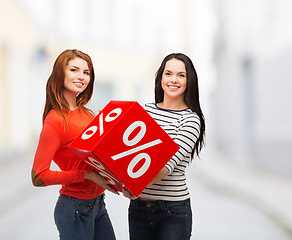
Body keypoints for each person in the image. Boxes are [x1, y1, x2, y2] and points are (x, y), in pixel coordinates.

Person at [31, 49, 118, 240]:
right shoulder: (55, 120)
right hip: (74, 208)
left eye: (86, 72)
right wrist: (86, 175)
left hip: (98, 205)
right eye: (74, 70)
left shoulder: (88, 115)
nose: (81, 77)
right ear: (60, 74)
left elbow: (98, 159)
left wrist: (120, 181)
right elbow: (38, 176)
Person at [124, 53, 205, 240]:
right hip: (138, 209)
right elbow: (127, 154)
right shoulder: (145, 111)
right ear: (161, 77)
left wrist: (131, 181)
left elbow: (163, 169)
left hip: (172, 211)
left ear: (189, 80)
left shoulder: (190, 120)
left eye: (181, 75)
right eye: (168, 73)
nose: (173, 80)